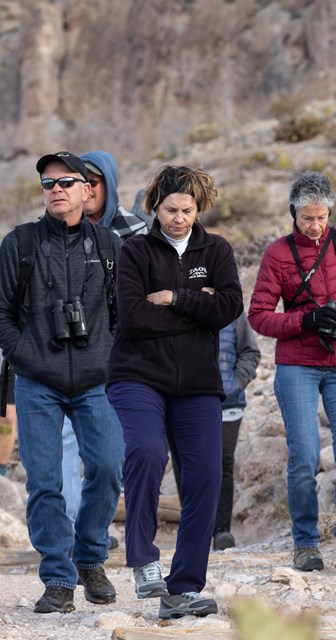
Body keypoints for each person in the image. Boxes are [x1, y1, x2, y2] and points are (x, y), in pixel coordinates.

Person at [106, 165, 243, 619]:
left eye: (187, 210)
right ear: (154, 207)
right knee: (146, 451)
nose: (179, 218)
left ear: (198, 208)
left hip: (198, 384)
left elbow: (228, 307)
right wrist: (198, 304)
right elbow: (133, 318)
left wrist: (174, 298)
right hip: (137, 375)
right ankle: (144, 561)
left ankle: (182, 589)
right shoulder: (136, 251)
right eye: (170, 210)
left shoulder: (217, 249)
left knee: (204, 477)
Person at [0, 151, 125, 614]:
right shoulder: (20, 243)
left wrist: (111, 357)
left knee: (109, 468)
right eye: (48, 183)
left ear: (87, 191)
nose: (56, 189)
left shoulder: (109, 245)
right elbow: (2, 315)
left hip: (97, 380)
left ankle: (90, 557)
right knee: (46, 482)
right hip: (38, 383)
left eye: (66, 181)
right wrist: (27, 356)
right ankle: (57, 577)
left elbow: (123, 314)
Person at [248, 171, 336, 573]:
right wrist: (307, 321)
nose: (315, 226)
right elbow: (258, 317)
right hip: (297, 366)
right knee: (305, 456)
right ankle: (306, 544)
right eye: (308, 218)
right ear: (293, 213)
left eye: (322, 217)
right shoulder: (278, 254)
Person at [60, 150, 150, 538]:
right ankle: (71, 526)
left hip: (123, 357)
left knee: (116, 450)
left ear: (108, 184)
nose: (86, 189)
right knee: (66, 442)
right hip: (68, 355)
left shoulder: (136, 232)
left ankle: (105, 525)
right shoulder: (57, 230)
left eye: (93, 182)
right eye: (78, 182)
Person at [212, 313, 261, 551]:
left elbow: (250, 352)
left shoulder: (232, 311)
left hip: (227, 404)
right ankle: (197, 529)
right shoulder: (178, 301)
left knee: (223, 463)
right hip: (185, 402)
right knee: (187, 464)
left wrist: (235, 383)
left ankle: (221, 530)